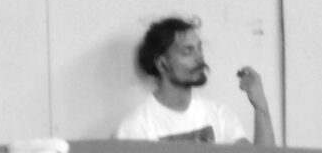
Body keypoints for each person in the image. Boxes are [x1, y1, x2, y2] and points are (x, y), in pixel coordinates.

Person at [115, 18, 275, 145]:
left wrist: (260, 106)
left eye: (199, 48)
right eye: (187, 51)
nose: (200, 58)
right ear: (162, 64)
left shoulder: (220, 115)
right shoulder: (134, 128)